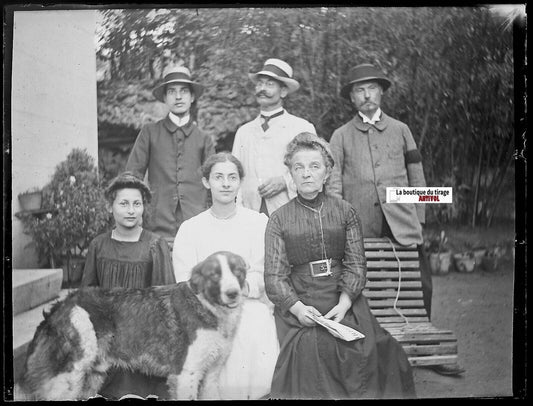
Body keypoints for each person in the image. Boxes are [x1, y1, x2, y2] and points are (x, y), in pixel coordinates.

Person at [328, 63, 464, 376]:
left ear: (382, 92)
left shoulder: (401, 130)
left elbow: (417, 175)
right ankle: (373, 353)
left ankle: (424, 348)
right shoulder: (341, 136)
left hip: (401, 219)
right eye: (359, 90)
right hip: (360, 223)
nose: (366, 95)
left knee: (419, 283)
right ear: (352, 98)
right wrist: (342, 224)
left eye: (371, 88)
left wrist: (419, 217)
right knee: (368, 286)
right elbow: (334, 184)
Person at [264, 132, 416, 399]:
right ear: (290, 174)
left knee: (374, 346)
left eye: (314, 166)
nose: (307, 174)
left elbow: (356, 263)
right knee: (310, 348)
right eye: (298, 167)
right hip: (301, 300)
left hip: (343, 296)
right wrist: (298, 310)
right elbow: (274, 278)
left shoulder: (346, 212)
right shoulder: (279, 219)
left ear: (327, 172)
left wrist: (345, 303)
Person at [172, 152, 279, 400]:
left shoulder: (258, 223)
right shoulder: (191, 229)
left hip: (249, 302)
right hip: (205, 310)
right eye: (218, 177)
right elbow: (186, 281)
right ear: (207, 182)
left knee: (253, 323)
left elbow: (264, 269)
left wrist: (243, 290)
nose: (226, 183)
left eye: (232, 177)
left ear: (240, 182)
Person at [81, 171, 176, 399]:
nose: (131, 210)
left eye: (137, 204)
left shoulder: (155, 245)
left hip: (144, 338)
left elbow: (166, 299)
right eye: (124, 203)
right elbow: (88, 296)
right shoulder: (98, 246)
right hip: (108, 337)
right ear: (110, 207)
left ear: (144, 207)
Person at [125, 66, 215, 244]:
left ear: (192, 97)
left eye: (184, 91)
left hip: (197, 227)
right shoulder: (150, 132)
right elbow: (132, 177)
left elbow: (215, 183)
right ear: (165, 98)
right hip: (158, 227)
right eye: (172, 92)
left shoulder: (204, 139)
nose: (178, 96)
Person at [232, 58, 316, 216]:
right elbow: (235, 175)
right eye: (259, 84)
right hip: (249, 214)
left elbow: (313, 171)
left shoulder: (302, 127)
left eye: (269, 84)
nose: (262, 89)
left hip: (290, 212)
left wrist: (285, 182)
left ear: (283, 91)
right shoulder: (244, 132)